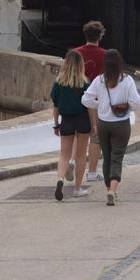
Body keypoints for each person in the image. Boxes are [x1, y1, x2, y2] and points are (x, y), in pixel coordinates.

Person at [82, 49, 140, 206]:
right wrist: (126, 107)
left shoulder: (99, 80)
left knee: (107, 156)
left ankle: (108, 187)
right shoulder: (127, 80)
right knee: (117, 157)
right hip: (121, 124)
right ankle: (112, 190)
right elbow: (136, 103)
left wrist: (100, 105)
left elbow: (85, 100)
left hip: (103, 123)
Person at [50, 50, 91, 201]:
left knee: (64, 155)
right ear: (81, 65)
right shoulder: (86, 83)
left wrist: (56, 125)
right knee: (80, 156)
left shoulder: (58, 83)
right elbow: (90, 106)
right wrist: (94, 124)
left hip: (66, 120)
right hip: (82, 119)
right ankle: (78, 189)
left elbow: (55, 106)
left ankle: (60, 179)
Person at [72, 21, 106, 183]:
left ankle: (73, 161)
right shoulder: (105, 54)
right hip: (97, 100)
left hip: (76, 97)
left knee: (77, 134)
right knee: (95, 137)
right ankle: (92, 172)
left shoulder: (75, 53)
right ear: (100, 36)